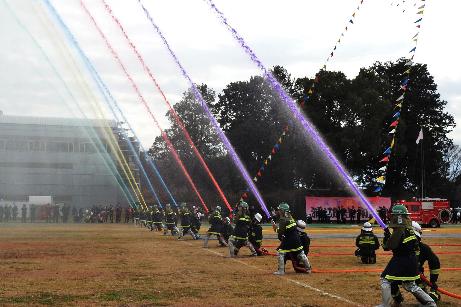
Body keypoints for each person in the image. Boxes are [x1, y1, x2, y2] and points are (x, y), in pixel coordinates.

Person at [378, 205, 436, 307]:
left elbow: (389, 246)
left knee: (385, 280)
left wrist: (387, 237)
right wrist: (389, 236)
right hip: (411, 259)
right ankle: (430, 303)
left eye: (393, 216)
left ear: (398, 217)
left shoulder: (399, 230)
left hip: (401, 259)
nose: (391, 218)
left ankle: (385, 305)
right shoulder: (408, 229)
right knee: (410, 285)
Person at [273, 203, 310, 275]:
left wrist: (275, 229)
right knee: (300, 253)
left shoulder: (282, 219)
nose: (279, 211)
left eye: (280, 210)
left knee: (280, 253)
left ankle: (281, 271)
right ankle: (308, 268)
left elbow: (280, 232)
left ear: (283, 211)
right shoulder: (291, 217)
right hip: (296, 238)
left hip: (288, 239)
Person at [412, 221, 441, 303]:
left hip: (416, 276)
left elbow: (434, 261)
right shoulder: (423, 248)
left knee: (424, 300)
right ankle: (397, 300)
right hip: (402, 275)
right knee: (389, 281)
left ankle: (428, 296)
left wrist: (433, 283)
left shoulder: (423, 248)